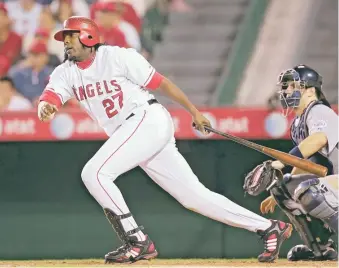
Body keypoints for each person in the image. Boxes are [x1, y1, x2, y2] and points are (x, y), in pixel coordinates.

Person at [37, 16, 292, 264]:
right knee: (193, 197)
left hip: (147, 120)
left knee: (94, 173)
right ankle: (269, 227)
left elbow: (162, 83)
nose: (66, 42)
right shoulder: (65, 72)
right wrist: (45, 108)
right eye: (64, 37)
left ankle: (137, 241)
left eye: (71, 36)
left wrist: (193, 111)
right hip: (134, 133)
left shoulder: (117, 56)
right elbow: (49, 97)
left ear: (88, 37)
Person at [251, 64, 338, 261]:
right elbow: (305, 159)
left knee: (309, 191)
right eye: (285, 86)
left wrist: (281, 162)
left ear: (309, 89)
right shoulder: (299, 121)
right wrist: (280, 192)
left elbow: (318, 139)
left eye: (292, 85)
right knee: (283, 187)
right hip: (334, 183)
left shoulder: (319, 110)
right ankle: (320, 248)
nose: (286, 90)